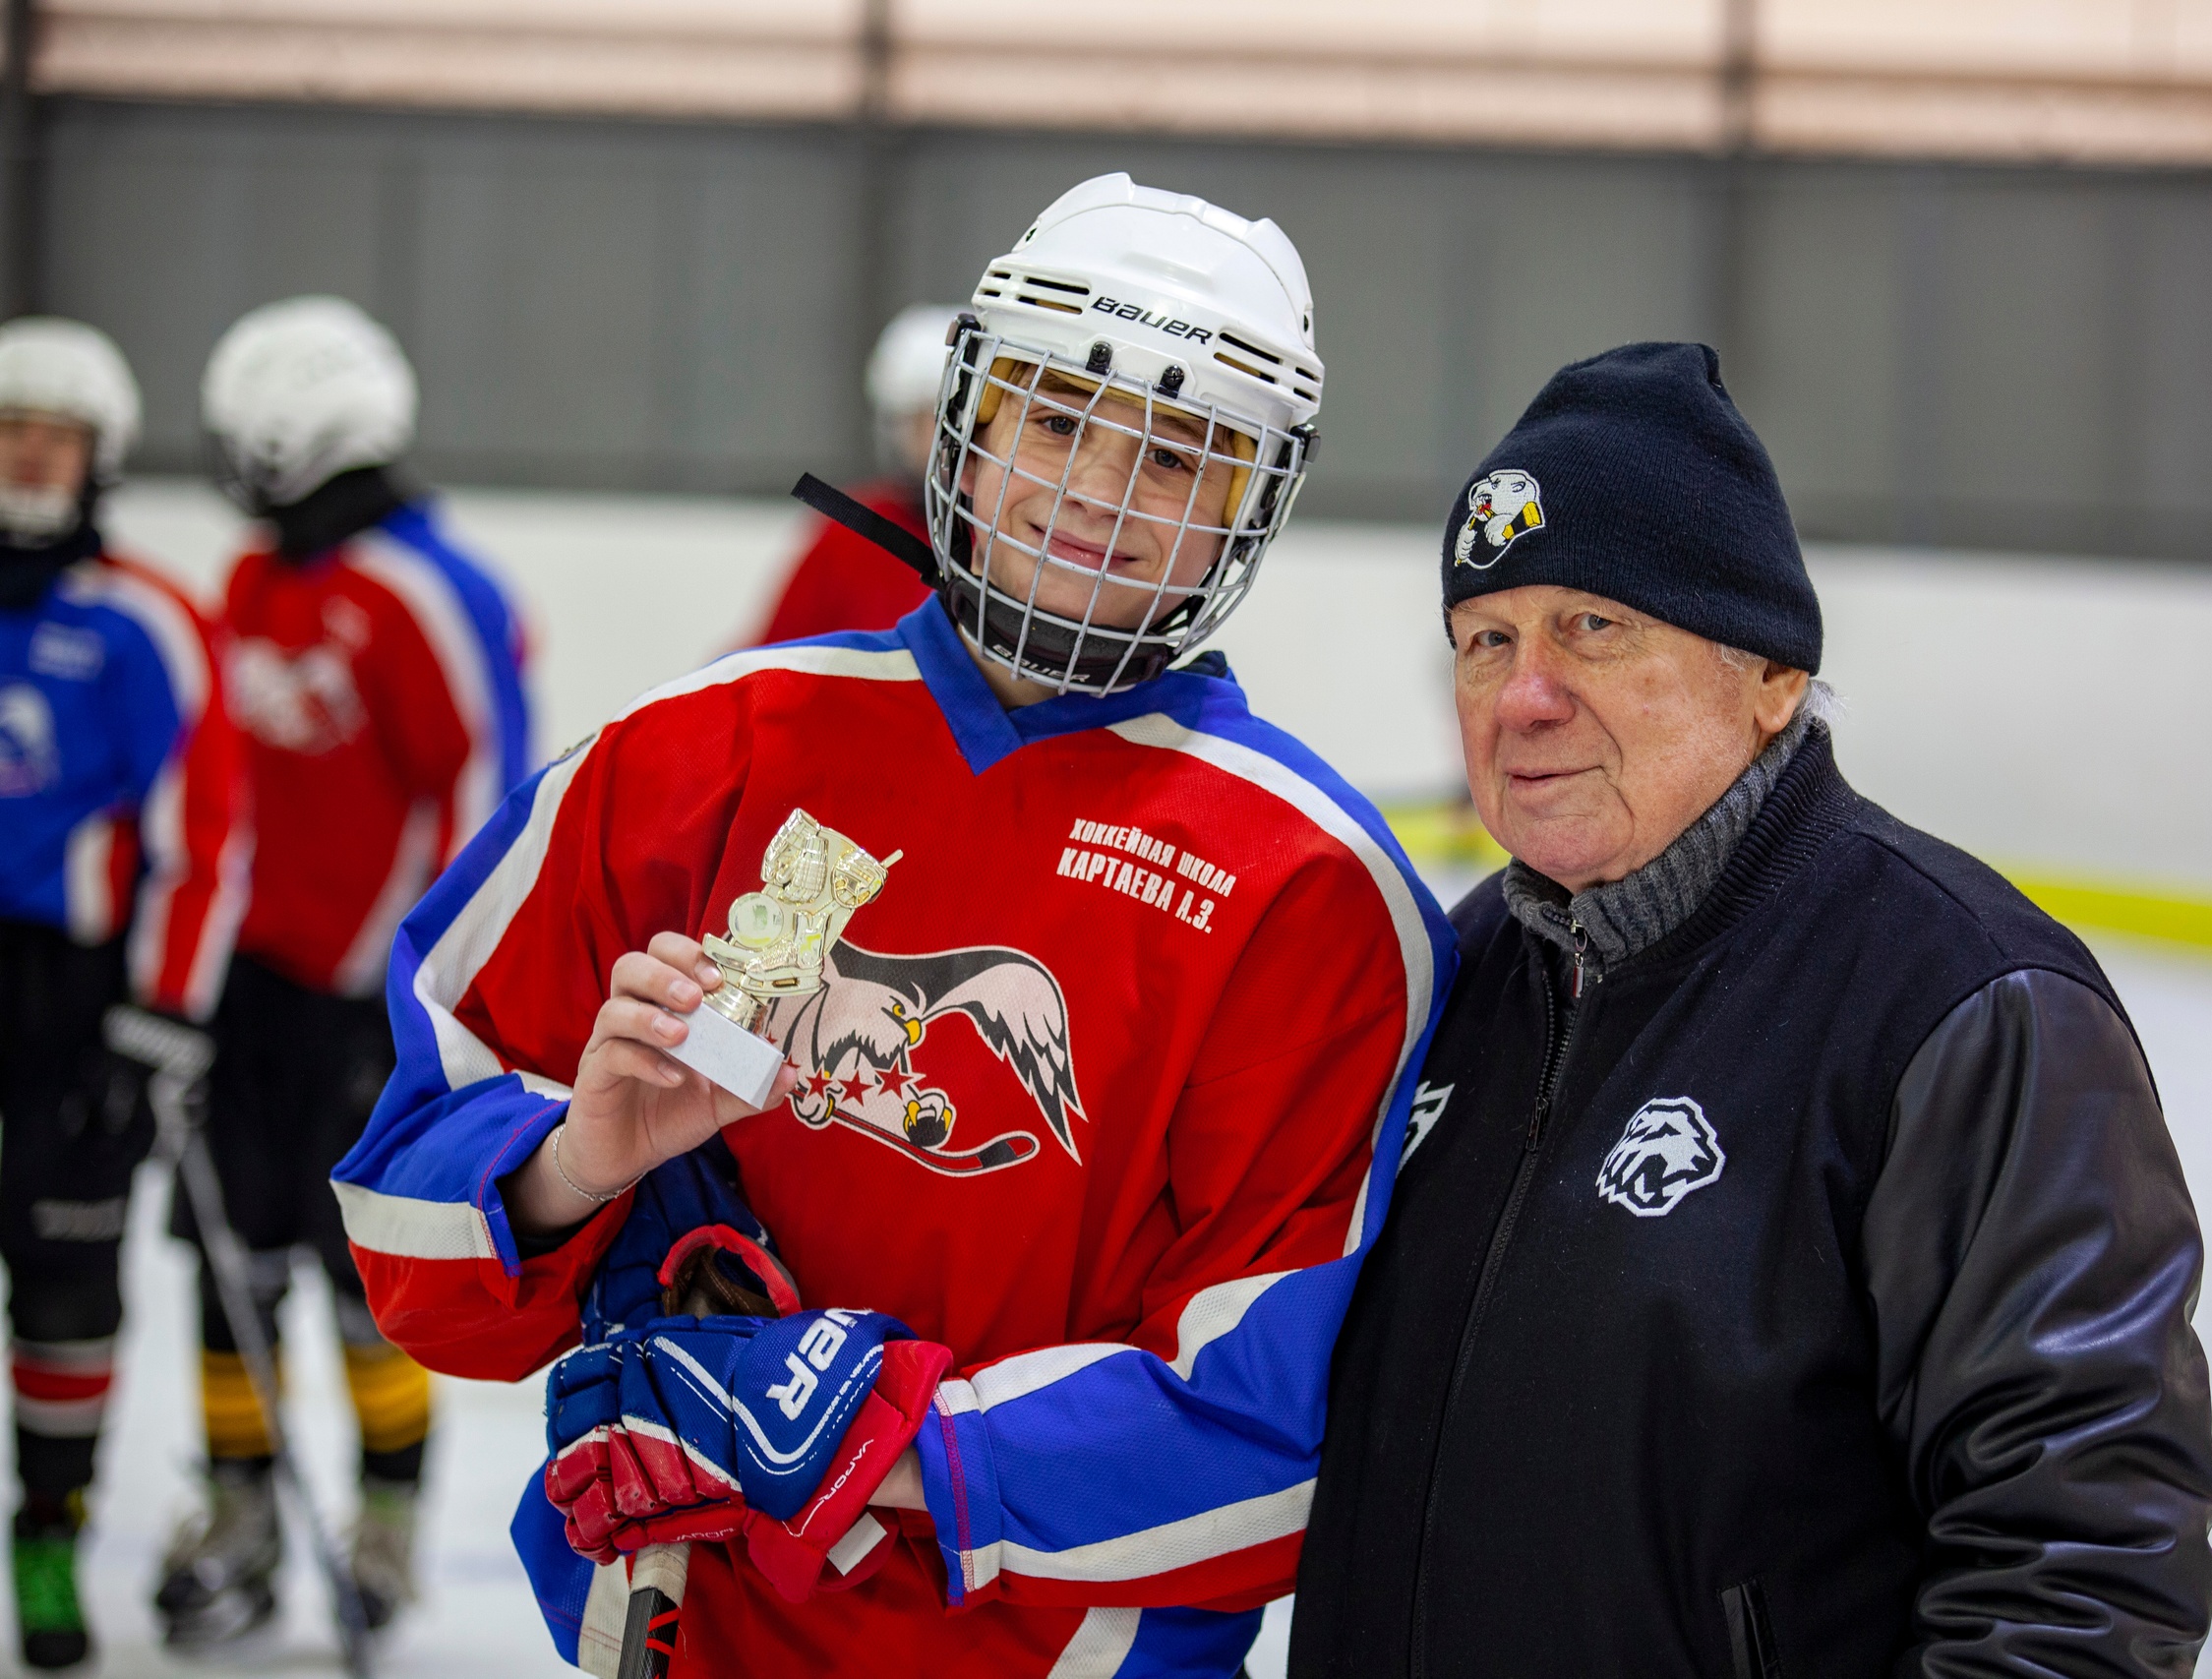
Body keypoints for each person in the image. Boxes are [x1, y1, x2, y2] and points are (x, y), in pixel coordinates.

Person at [333, 173, 1451, 1678]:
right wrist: (572, 1164)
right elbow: (412, 1231)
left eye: (1180, 454)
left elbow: (1274, 1435)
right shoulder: (693, 755)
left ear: (1252, 508)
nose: (1101, 491)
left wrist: (882, 1439)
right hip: (691, 1634)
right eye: (1058, 418)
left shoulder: (1311, 886)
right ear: (969, 422)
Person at [1292, 343, 2212, 1677]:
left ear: (1772, 673)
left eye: (1593, 626)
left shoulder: (1963, 1004)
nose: (1523, 697)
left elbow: (2079, 1568)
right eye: (1487, 639)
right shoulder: (1462, 969)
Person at [154, 295, 532, 1647]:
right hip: (247, 986)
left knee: (366, 1274)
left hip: (370, 1000)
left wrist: (436, 989)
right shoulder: (257, 581)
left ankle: (384, 1523)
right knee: (228, 1260)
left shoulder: (425, 587)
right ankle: (240, 1508)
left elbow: (487, 789)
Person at [0, 316, 245, 1669]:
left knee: (67, 1282)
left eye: (56, 435)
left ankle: (48, 1531)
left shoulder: (147, 618)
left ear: (99, 455)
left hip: (72, 998)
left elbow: (205, 834)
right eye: (9, 432)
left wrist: (162, 1015)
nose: (30, 456)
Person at [749, 303, 958, 644]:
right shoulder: (855, 528)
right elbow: (774, 654)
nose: (950, 439)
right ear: (900, 425)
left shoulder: (1008, 536)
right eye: (932, 418)